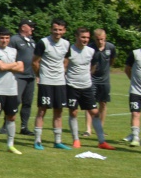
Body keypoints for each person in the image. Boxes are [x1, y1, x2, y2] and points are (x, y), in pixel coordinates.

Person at [65, 27, 113, 150]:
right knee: (73, 112)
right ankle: (76, 139)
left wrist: (88, 75)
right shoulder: (69, 50)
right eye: (83, 37)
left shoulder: (91, 51)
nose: (85, 40)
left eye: (87, 37)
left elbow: (92, 67)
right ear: (76, 36)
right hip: (72, 86)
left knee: (95, 113)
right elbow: (64, 66)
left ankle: (102, 141)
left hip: (86, 86)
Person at [31, 18, 70, 150]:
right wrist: (39, 76)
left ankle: (57, 141)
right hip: (46, 81)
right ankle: (37, 141)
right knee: (42, 110)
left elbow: (66, 60)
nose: (57, 32)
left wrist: (62, 72)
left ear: (64, 31)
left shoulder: (66, 44)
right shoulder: (43, 43)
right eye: (55, 29)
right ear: (50, 29)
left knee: (59, 111)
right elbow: (35, 62)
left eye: (60, 30)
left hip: (60, 82)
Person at [0, 27, 24, 154]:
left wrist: (9, 66)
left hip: (12, 89)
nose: (4, 40)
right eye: (2, 38)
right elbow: (0, 67)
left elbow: (22, 68)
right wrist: (13, 65)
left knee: (11, 117)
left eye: (7, 38)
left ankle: (10, 145)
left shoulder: (14, 50)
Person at [9, 19, 38, 134]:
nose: (32, 28)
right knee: (15, 100)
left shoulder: (32, 41)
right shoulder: (14, 40)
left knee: (28, 102)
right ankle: (7, 124)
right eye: (30, 26)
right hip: (19, 75)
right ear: (23, 27)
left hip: (30, 75)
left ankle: (24, 127)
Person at [90, 28, 117, 141]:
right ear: (94, 38)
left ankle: (100, 128)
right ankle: (88, 129)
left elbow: (112, 61)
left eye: (102, 39)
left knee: (103, 103)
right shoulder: (90, 48)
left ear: (105, 37)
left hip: (105, 80)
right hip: (91, 79)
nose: (100, 41)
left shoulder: (111, 47)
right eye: (97, 39)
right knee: (90, 104)